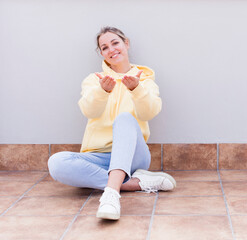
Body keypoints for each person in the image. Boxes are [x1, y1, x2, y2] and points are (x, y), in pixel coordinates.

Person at [47, 26, 176, 220]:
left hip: (134, 156)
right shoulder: (94, 80)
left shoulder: (145, 79)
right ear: (101, 53)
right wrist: (103, 92)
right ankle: (136, 183)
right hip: (99, 157)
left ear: (126, 43)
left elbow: (150, 112)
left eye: (115, 43)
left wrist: (136, 89)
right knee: (56, 163)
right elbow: (89, 110)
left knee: (124, 118)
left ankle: (111, 196)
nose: (111, 49)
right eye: (105, 47)